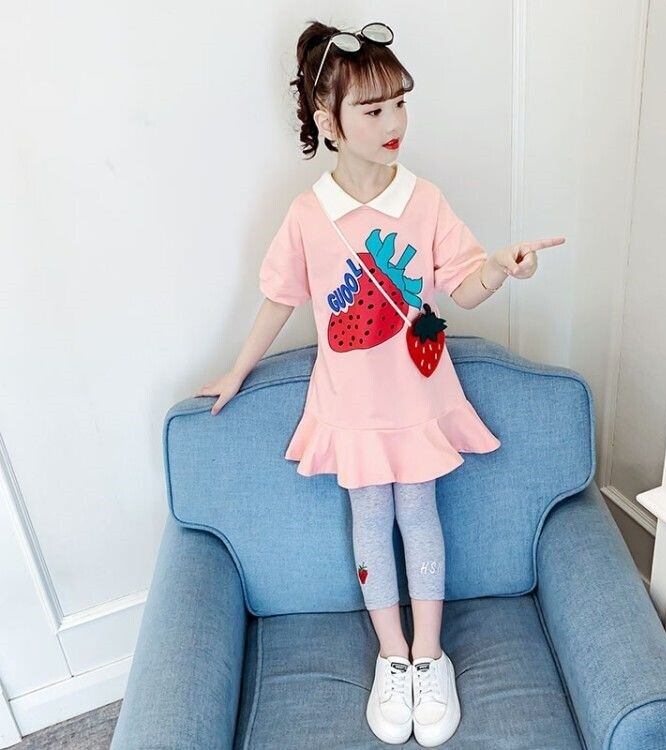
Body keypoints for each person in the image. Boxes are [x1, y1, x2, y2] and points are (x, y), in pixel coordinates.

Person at [196, 19, 565, 747]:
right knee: (369, 521)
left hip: (419, 399)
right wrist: (238, 370)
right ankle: (391, 658)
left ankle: (430, 656)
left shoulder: (425, 200)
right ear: (328, 120)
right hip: (352, 408)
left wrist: (501, 266)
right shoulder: (307, 215)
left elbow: (464, 288)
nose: (394, 122)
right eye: (373, 109)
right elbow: (279, 297)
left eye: (400, 103)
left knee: (420, 516)